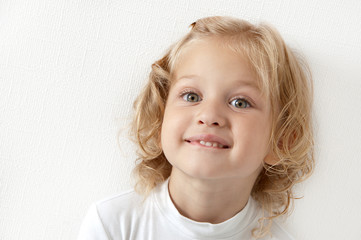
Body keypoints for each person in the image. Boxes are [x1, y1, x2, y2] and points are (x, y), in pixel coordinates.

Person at [77, 16, 314, 239]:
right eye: (191, 96)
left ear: (281, 141)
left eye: (240, 102)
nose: (209, 115)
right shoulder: (113, 224)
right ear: (160, 121)